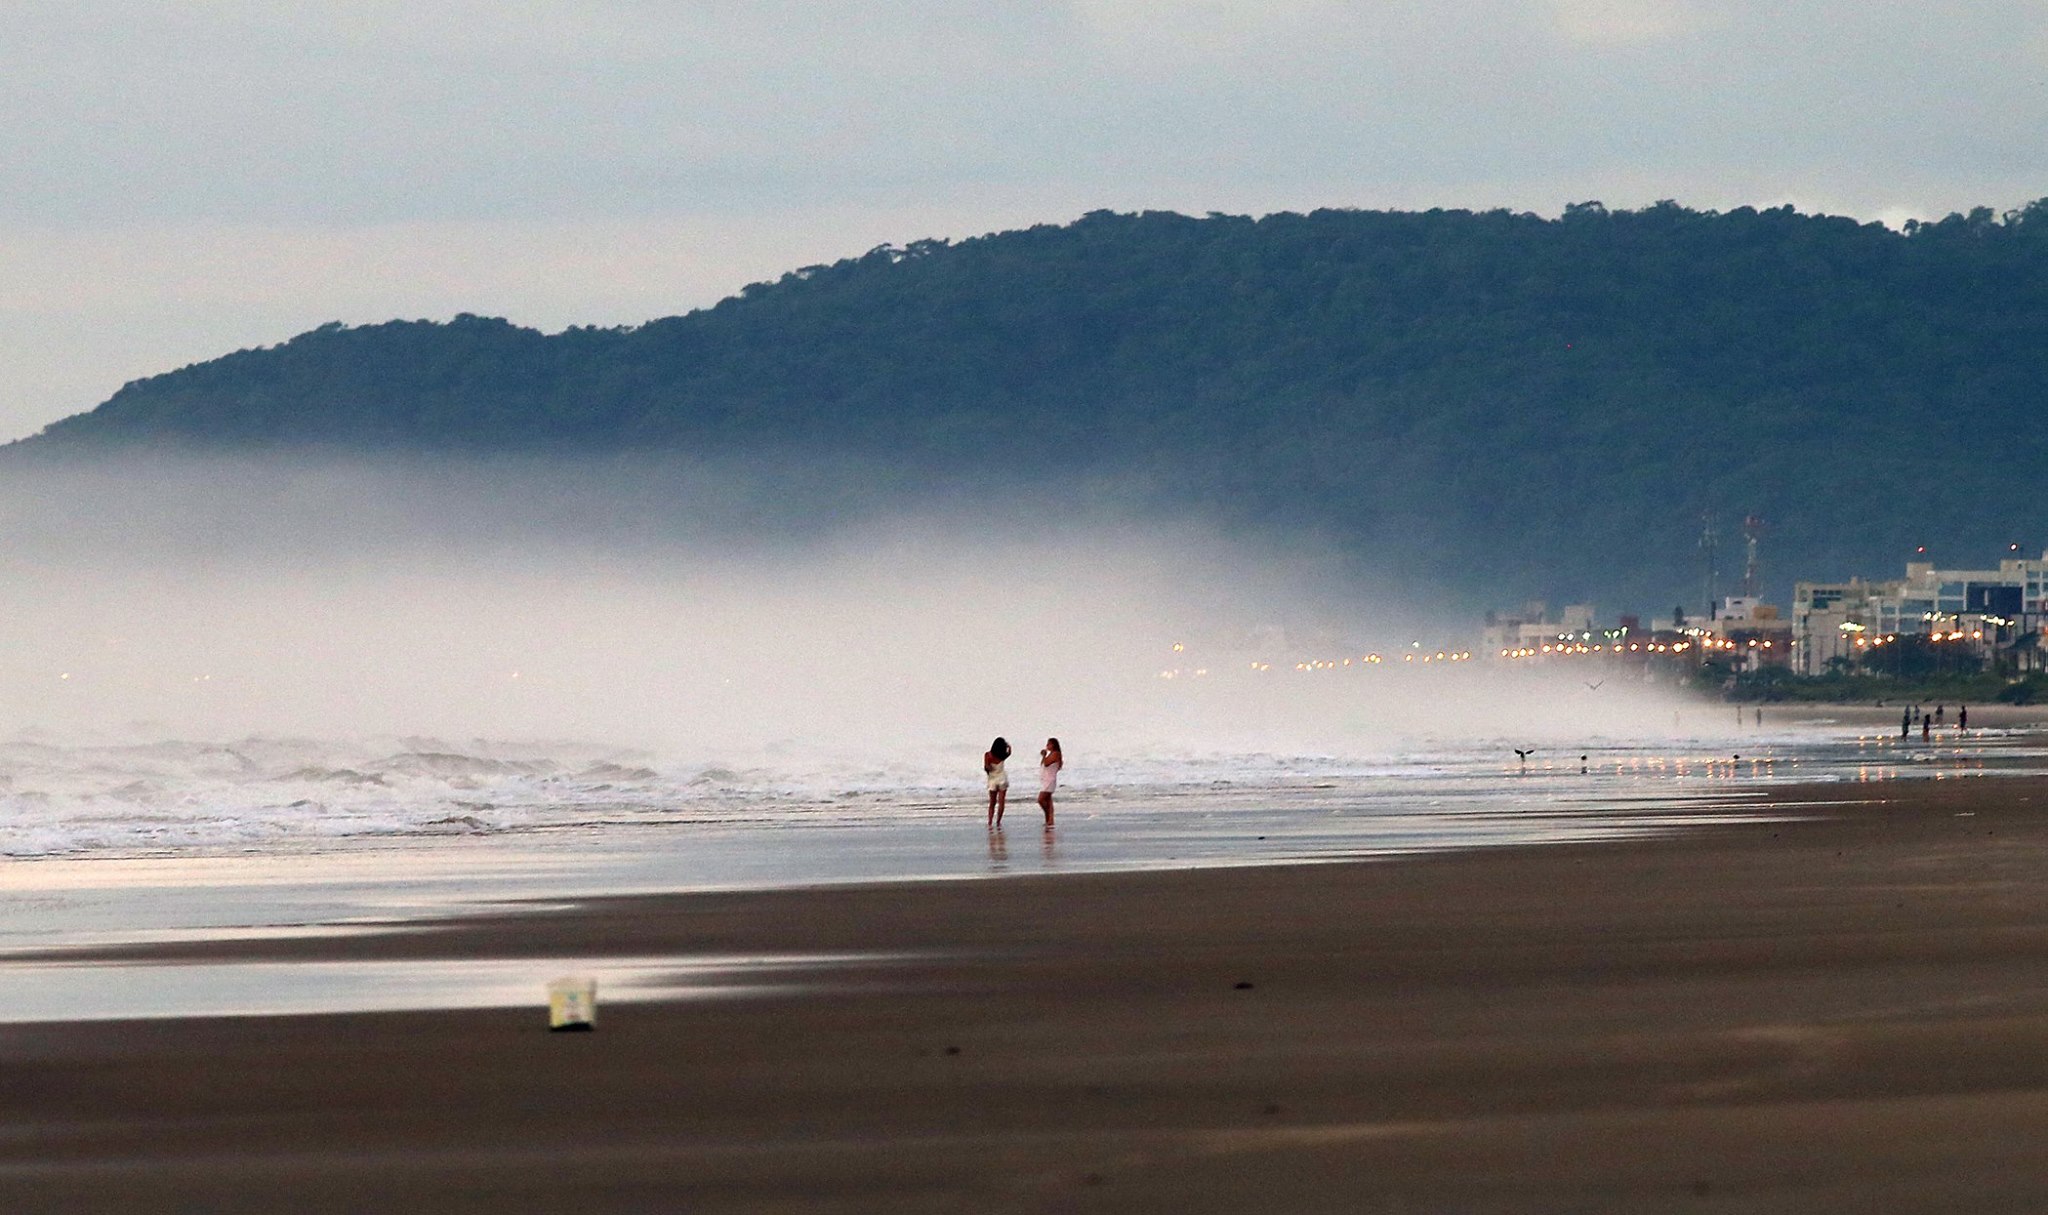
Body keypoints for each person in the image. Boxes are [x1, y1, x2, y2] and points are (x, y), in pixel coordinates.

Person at [983, 737, 1012, 826]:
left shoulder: (988, 755)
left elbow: (987, 767)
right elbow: (1009, 752)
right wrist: (1008, 746)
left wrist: (989, 768)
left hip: (993, 779)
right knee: (1001, 802)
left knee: (992, 802)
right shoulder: (1003, 755)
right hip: (1002, 778)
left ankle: (990, 821)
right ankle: (998, 821)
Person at [1037, 738, 1063, 825]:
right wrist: (1044, 756)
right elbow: (1043, 764)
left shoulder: (1056, 754)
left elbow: (1047, 763)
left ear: (1053, 745)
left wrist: (1044, 755)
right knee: (1048, 801)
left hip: (1049, 780)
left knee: (1041, 799)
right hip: (1046, 780)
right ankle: (1049, 820)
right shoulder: (1051, 754)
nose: (1047, 746)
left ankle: (1049, 815)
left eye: (1049, 744)